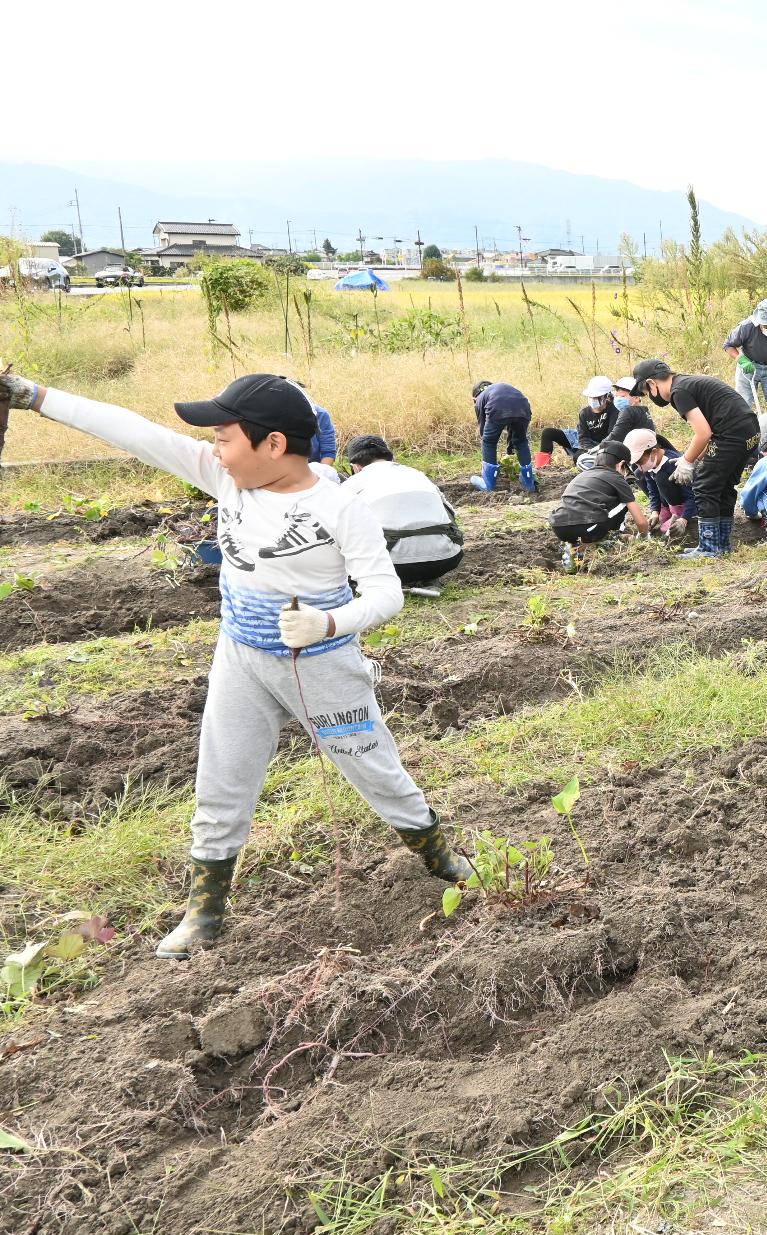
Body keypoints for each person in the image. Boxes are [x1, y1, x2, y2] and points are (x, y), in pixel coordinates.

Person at [0, 369, 472, 958]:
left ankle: (441, 858)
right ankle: (204, 913)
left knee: (373, 769)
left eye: (225, 439)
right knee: (221, 781)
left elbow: (385, 593)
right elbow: (133, 432)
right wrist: (36, 398)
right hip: (241, 658)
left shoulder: (339, 507)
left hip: (322, 668)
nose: (214, 452)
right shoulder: (226, 481)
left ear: (273, 444)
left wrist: (329, 622)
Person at [627, 358, 760, 558]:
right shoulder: (687, 383)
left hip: (731, 433)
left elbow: (703, 433)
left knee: (704, 486)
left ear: (652, 383)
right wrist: (694, 458)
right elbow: (710, 431)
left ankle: (709, 548)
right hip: (749, 431)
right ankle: (721, 545)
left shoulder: (678, 392)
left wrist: (687, 461)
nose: (650, 396)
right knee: (722, 486)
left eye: (646, 393)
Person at [342, 434, 463, 590]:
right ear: (389, 458)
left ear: (356, 466)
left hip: (390, 567)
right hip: (446, 559)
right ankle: (427, 576)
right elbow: (451, 513)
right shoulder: (417, 474)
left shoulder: (352, 484)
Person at [548, 438, 654, 570]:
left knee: (589, 518)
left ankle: (575, 551)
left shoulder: (582, 475)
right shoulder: (617, 478)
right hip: (589, 524)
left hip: (559, 526)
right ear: (621, 465)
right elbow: (641, 522)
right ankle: (611, 539)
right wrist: (645, 538)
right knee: (623, 503)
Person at [537, 375, 618, 469]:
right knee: (548, 432)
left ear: (607, 396)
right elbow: (583, 437)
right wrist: (587, 448)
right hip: (584, 442)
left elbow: (611, 438)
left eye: (596, 397)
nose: (593, 400)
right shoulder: (584, 413)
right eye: (590, 397)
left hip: (601, 446)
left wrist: (594, 450)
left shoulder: (614, 412)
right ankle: (541, 467)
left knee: (578, 457)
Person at [470, 379, 536, 493]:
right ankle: (529, 483)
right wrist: (510, 450)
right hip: (524, 406)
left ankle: (488, 484)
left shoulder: (479, 399)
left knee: (488, 442)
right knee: (521, 442)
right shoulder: (499, 389)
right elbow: (513, 426)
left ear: (475, 398)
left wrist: (489, 453)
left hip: (497, 407)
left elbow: (484, 431)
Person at [724, 298, 767, 413]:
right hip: (748, 364)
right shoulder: (747, 327)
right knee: (743, 403)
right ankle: (744, 429)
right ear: (760, 322)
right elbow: (728, 345)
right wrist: (741, 360)